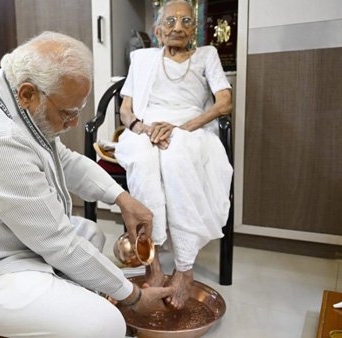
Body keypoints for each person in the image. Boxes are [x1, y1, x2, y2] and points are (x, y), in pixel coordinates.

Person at [0, 31, 174, 338]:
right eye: (67, 113)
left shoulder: (2, 99)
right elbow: (58, 242)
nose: (73, 123)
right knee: (107, 324)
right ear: (28, 93)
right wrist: (134, 297)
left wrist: (123, 199)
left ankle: (57, 306)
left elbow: (64, 160)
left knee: (91, 234)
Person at [114, 0, 233, 310]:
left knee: (175, 159)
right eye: (170, 21)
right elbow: (126, 110)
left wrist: (180, 127)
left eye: (185, 21)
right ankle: (150, 257)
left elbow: (224, 103)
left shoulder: (207, 55)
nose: (177, 27)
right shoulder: (142, 59)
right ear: (158, 29)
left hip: (189, 128)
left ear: (194, 28)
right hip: (146, 126)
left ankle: (184, 265)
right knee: (142, 160)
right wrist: (141, 127)